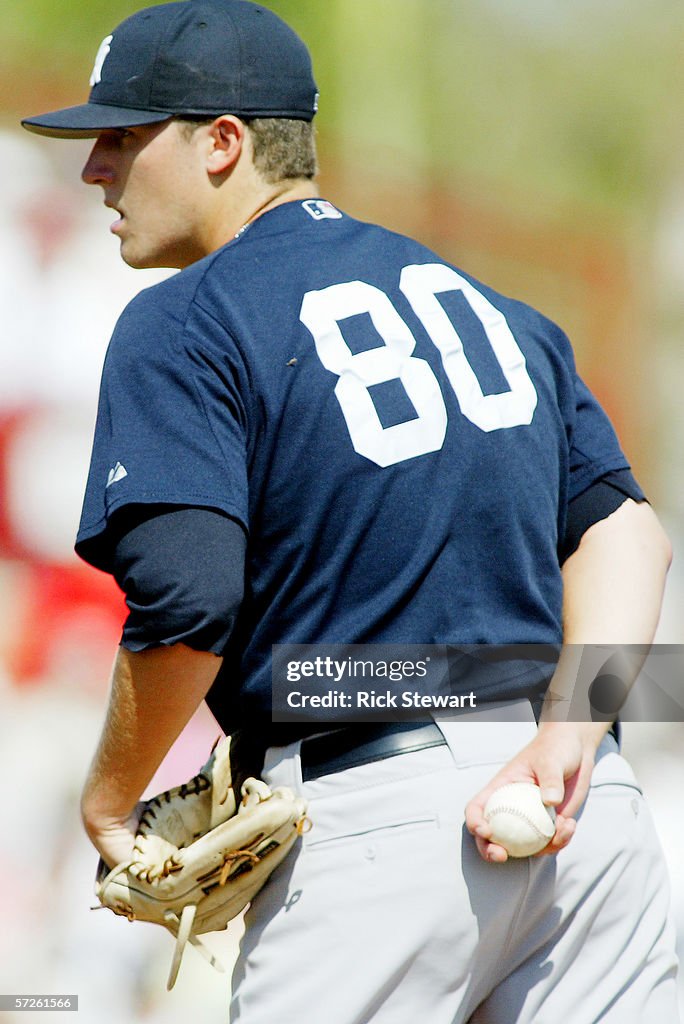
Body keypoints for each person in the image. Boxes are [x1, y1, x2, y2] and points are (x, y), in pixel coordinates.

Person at [22, 2, 679, 1021]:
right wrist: (576, 725)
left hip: (375, 819)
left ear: (223, 143)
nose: (95, 168)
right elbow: (628, 529)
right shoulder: (497, 308)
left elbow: (189, 601)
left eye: (123, 135)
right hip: (586, 818)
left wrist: (111, 803)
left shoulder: (186, 320)